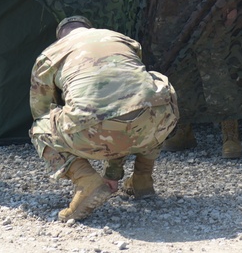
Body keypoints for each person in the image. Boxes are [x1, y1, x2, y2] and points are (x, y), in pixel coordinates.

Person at [30, 16, 179, 222]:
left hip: (96, 131)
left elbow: (40, 110)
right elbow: (130, 97)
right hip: (155, 123)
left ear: (61, 38)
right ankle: (142, 178)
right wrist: (113, 173)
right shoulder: (122, 40)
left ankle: (86, 181)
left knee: (40, 128)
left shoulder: (50, 56)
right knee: (149, 101)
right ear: (89, 29)